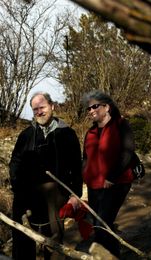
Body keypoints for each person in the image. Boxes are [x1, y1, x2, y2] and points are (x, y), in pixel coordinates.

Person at [9, 91, 82, 260]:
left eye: (42, 107)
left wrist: (74, 195)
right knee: (23, 239)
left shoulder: (67, 134)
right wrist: (17, 188)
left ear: (52, 106)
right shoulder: (26, 135)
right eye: (35, 109)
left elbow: (76, 168)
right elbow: (15, 164)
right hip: (26, 195)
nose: (39, 112)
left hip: (55, 198)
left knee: (54, 241)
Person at [81, 90, 137, 257]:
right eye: (88, 108)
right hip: (94, 185)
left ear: (107, 107)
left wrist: (112, 177)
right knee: (100, 226)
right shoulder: (89, 133)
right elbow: (85, 158)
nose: (91, 111)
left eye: (95, 107)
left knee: (101, 223)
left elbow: (127, 153)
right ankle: (111, 255)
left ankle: (110, 255)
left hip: (117, 183)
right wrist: (85, 175)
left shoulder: (121, 125)